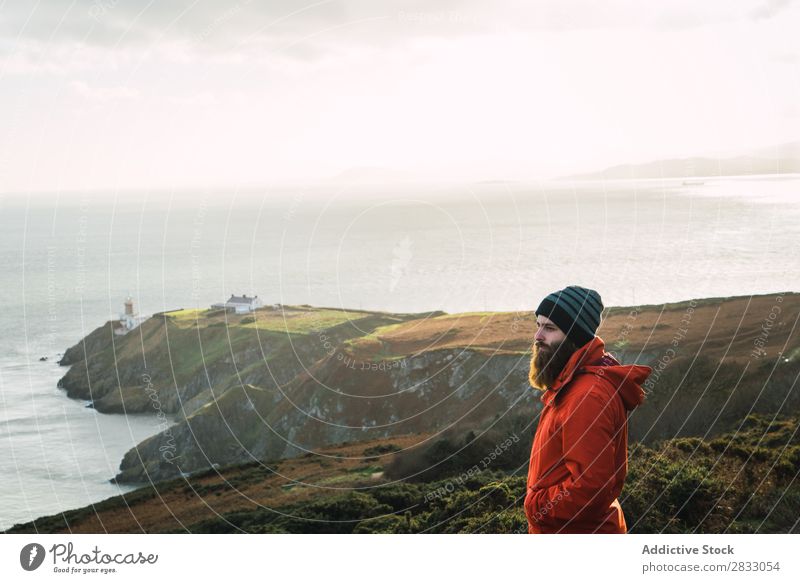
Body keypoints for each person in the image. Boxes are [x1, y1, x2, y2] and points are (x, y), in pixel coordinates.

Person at [524, 285, 652, 534]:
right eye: (538, 325)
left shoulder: (587, 397)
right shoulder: (571, 386)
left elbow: (590, 488)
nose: (538, 336)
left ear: (575, 336)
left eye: (550, 328)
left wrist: (535, 506)